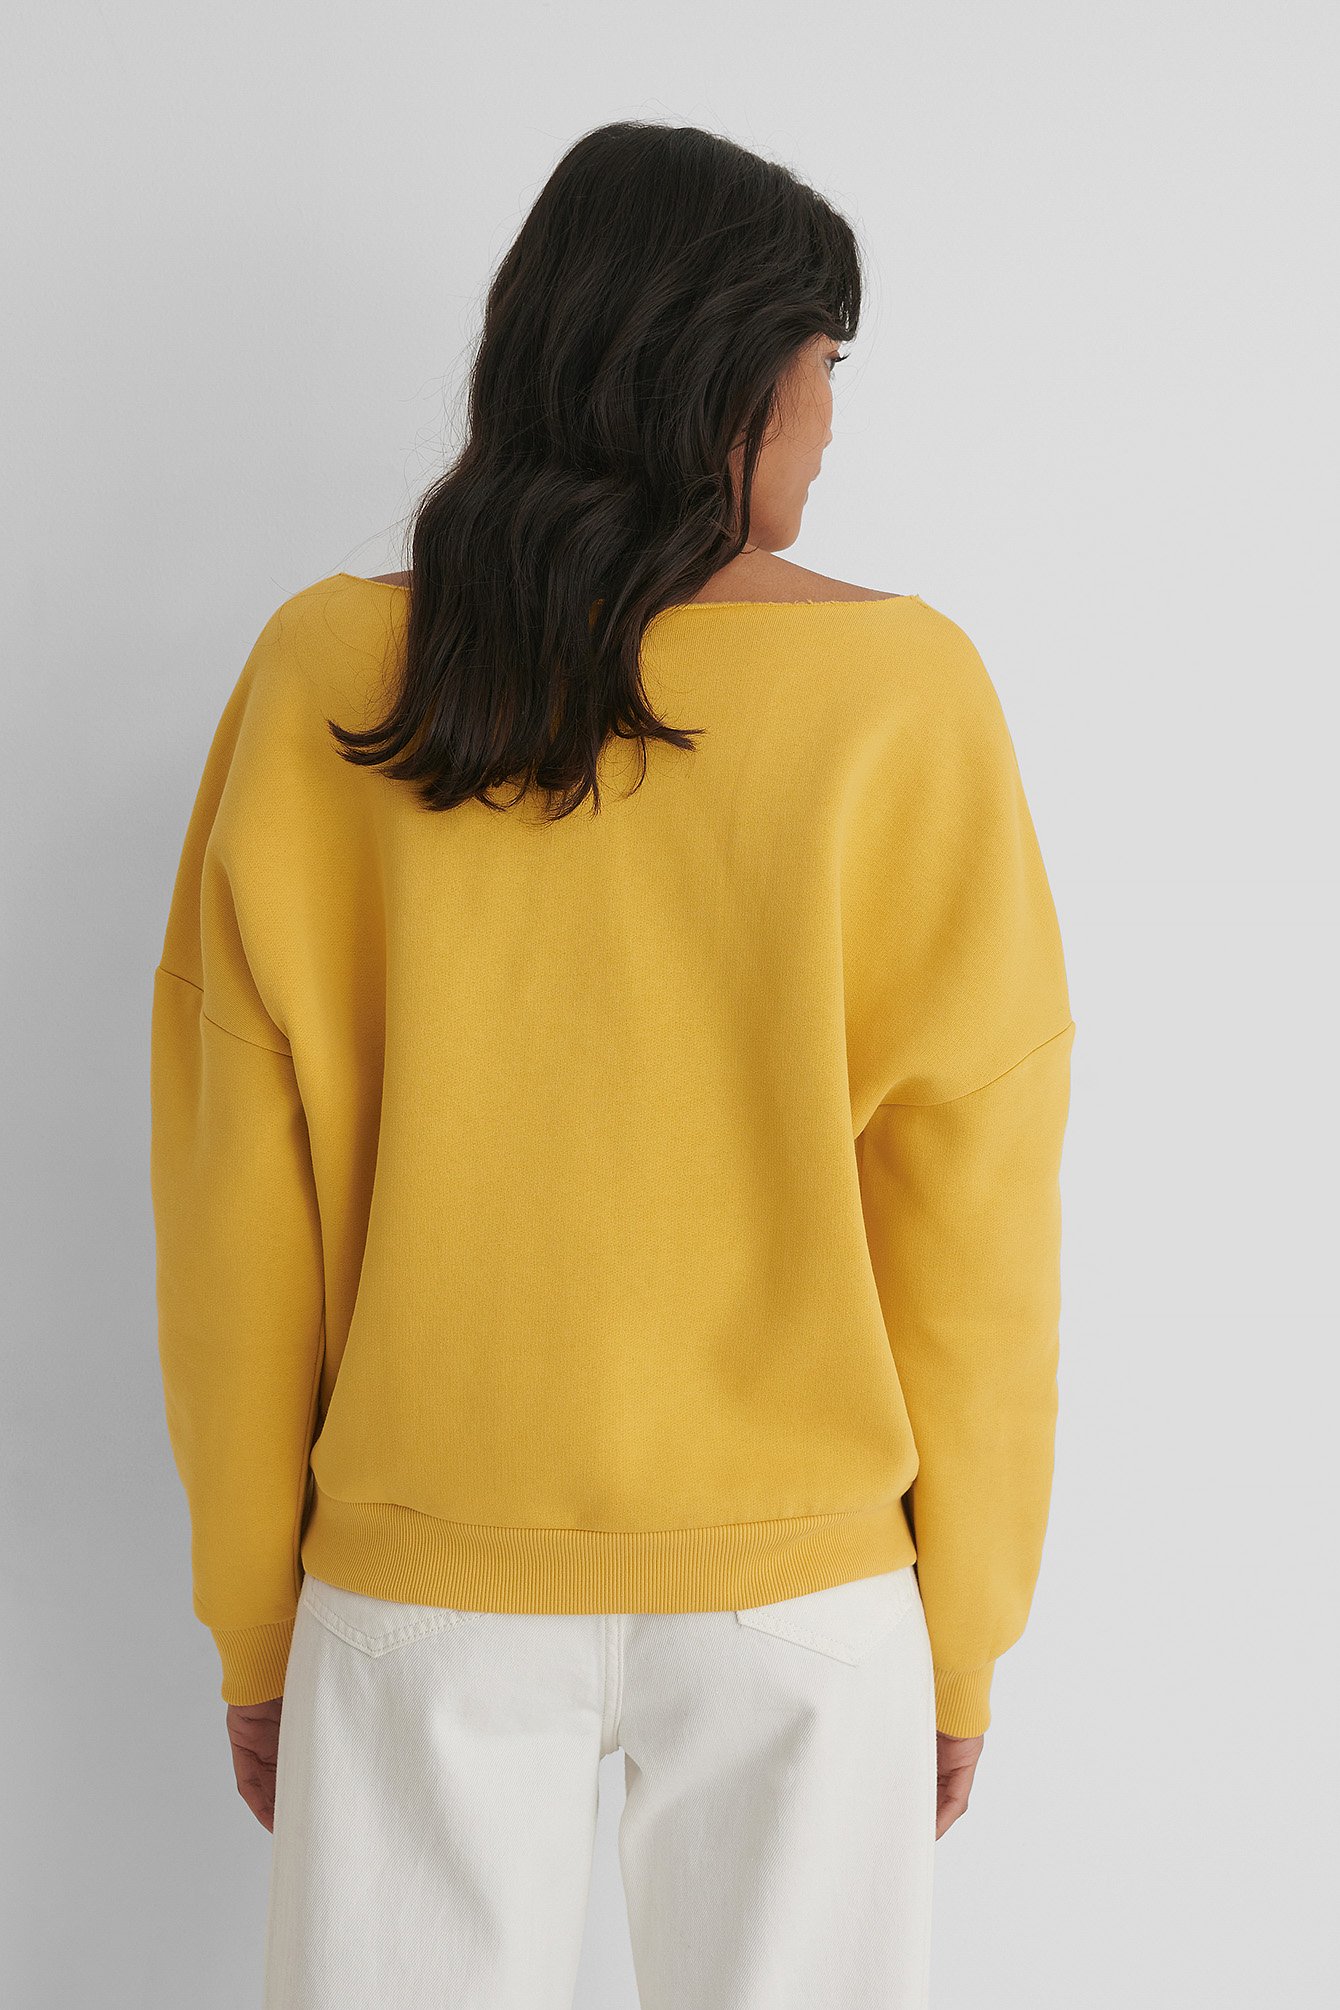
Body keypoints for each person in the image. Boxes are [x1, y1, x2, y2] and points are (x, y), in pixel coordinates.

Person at [149, 120, 1074, 2010]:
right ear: (730, 369)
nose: (833, 418)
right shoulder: (905, 695)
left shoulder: (329, 673)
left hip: (418, 1583)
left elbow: (234, 1195)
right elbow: (973, 1208)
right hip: (803, 1597)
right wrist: (965, 1628)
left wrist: (256, 1609)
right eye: (826, 361)